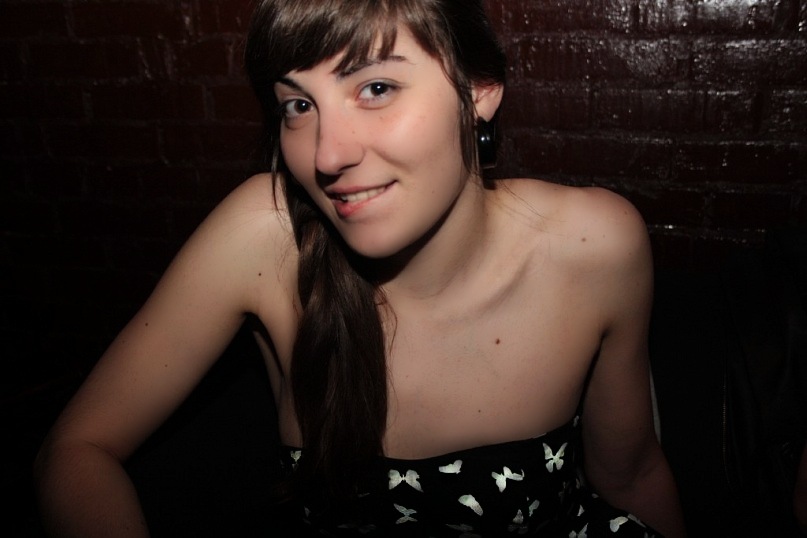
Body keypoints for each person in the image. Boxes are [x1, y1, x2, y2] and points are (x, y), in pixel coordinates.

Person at [34, 0, 686, 535]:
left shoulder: (592, 246)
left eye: (375, 88)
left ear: (478, 90)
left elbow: (630, 476)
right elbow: (77, 450)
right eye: (298, 105)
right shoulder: (265, 237)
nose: (326, 155)